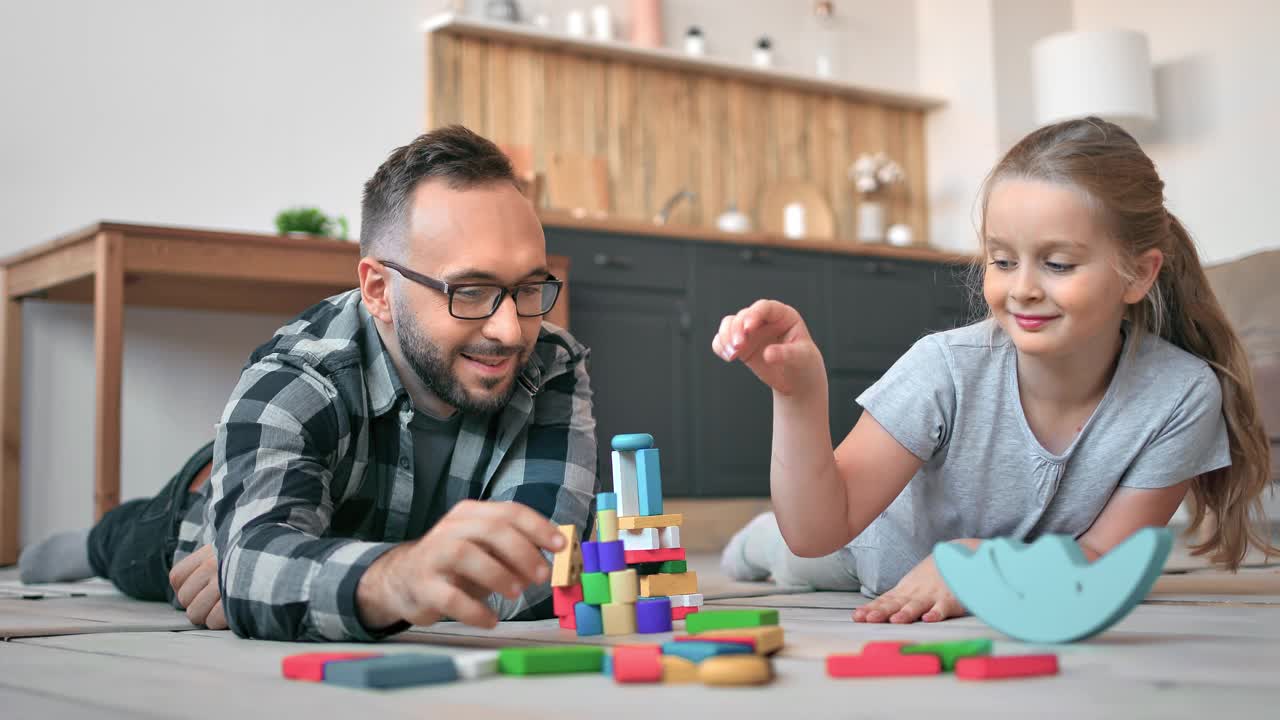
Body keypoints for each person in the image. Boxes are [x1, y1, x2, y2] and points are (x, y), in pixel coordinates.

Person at [19, 125, 599, 641]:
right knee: (132, 543)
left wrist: (296, 577)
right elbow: (251, 568)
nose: (509, 329)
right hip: (196, 515)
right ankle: (85, 544)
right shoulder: (298, 375)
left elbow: (547, 565)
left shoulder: (551, 362)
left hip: (335, 533)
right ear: (378, 291)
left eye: (527, 287)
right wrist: (269, 570)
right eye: (468, 291)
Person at [714, 116, 1277, 624]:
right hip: (867, 549)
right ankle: (756, 538)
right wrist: (798, 395)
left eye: (1058, 264)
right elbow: (818, 530)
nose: (1024, 289)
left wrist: (975, 565)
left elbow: (1104, 559)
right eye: (1003, 261)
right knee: (780, 551)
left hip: (976, 570)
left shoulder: (1179, 395)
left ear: (1138, 274)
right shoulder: (944, 368)